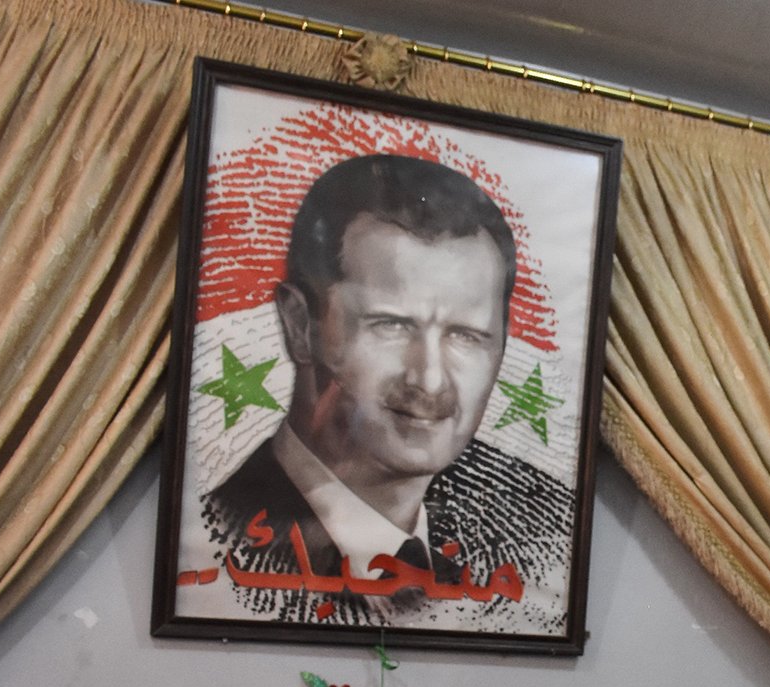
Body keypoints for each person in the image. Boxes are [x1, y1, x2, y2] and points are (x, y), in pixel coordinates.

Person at [198, 153, 577, 626]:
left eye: (466, 335)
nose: (431, 380)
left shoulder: (544, 523)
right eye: (392, 326)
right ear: (300, 326)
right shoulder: (213, 534)